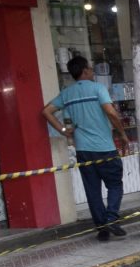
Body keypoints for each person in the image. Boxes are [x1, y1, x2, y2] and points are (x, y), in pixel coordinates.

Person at [42, 56, 132, 241]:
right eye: (90, 69)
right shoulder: (98, 89)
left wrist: (65, 131)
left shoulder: (67, 93)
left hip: (83, 150)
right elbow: (110, 111)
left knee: (93, 190)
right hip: (105, 148)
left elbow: (46, 111)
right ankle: (111, 218)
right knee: (115, 185)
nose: (92, 72)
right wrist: (122, 134)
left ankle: (102, 228)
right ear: (85, 71)